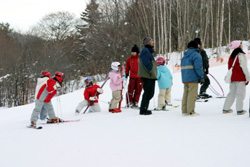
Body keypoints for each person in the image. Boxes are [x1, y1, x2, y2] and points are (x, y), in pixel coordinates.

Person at [222, 41, 250, 115]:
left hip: (233, 78)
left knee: (232, 94)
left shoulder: (232, 56)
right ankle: (240, 110)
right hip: (240, 77)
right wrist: (248, 78)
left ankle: (226, 108)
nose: (242, 45)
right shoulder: (241, 55)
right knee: (240, 94)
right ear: (238, 45)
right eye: (241, 44)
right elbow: (244, 67)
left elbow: (229, 68)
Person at [181, 40, 204, 116]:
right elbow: (198, 67)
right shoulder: (196, 55)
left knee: (186, 94)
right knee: (192, 94)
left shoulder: (185, 55)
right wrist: (201, 76)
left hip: (185, 78)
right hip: (193, 78)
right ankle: (190, 111)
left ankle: (184, 110)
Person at [138, 37, 157, 115]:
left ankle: (144, 108)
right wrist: (151, 71)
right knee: (148, 92)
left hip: (149, 75)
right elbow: (146, 63)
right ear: (148, 43)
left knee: (150, 93)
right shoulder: (145, 51)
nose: (153, 42)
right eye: (151, 41)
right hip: (148, 75)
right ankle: (143, 109)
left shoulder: (148, 51)